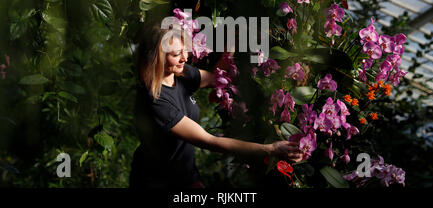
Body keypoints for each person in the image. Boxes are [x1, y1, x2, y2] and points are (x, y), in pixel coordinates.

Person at [129, 20, 303, 188]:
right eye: (176, 54)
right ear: (157, 58)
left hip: (186, 176)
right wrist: (269, 149)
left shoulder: (180, 74)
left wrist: (236, 40)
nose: (184, 58)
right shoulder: (155, 100)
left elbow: (215, 77)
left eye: (184, 50)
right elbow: (209, 141)